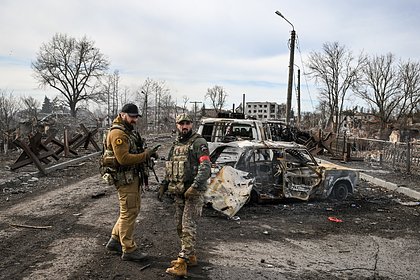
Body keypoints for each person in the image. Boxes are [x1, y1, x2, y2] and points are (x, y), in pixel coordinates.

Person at [103, 103, 159, 261]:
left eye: (136, 117)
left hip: (131, 177)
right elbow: (123, 159)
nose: (135, 119)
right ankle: (128, 249)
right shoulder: (118, 133)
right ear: (122, 115)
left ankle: (115, 240)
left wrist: (147, 153)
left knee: (130, 210)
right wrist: (146, 155)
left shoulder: (127, 131)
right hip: (125, 178)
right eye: (132, 116)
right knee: (129, 212)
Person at [158, 113, 211, 277]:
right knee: (179, 226)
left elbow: (206, 166)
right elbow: (170, 168)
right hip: (179, 192)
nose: (184, 126)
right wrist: (164, 185)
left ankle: (182, 263)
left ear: (192, 125)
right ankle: (191, 256)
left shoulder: (199, 142)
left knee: (188, 227)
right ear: (177, 125)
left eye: (187, 123)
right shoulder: (175, 145)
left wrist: (195, 187)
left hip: (193, 192)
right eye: (182, 123)